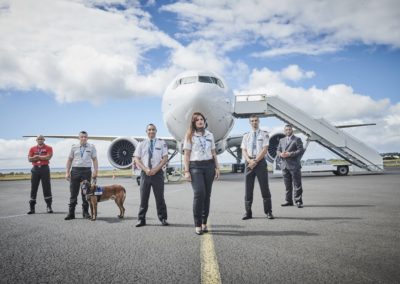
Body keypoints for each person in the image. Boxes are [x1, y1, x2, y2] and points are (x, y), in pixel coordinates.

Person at [183, 112, 220, 235]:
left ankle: (204, 223)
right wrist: (186, 171)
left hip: (209, 166)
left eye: (202, 119)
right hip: (195, 167)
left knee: (207, 195)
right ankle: (197, 224)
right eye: (197, 120)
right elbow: (187, 154)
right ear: (194, 123)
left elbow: (213, 152)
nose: (200, 121)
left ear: (204, 121)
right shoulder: (189, 136)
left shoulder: (210, 135)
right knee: (199, 193)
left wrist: (217, 168)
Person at [134, 124, 169, 227]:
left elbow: (165, 158)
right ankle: (141, 219)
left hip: (157, 174)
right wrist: (145, 169)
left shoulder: (161, 143)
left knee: (160, 198)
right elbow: (136, 158)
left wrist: (155, 169)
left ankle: (163, 218)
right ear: (146, 131)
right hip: (145, 174)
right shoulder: (141, 144)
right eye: (149, 130)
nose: (151, 131)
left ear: (156, 131)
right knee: (143, 198)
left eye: (153, 129)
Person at [241, 114, 274, 220]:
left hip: (260, 163)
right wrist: (249, 160)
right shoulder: (246, 135)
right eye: (252, 121)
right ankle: (248, 212)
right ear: (249, 123)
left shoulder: (264, 134)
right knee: (248, 189)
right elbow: (244, 150)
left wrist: (255, 161)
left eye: (256, 120)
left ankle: (268, 212)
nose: (254, 122)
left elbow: (265, 149)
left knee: (265, 188)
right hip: (249, 162)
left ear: (259, 122)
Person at [64, 131, 98, 220]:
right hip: (75, 171)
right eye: (82, 137)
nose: (84, 138)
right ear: (79, 138)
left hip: (86, 171)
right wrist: (67, 172)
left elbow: (94, 159)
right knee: (73, 193)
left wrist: (95, 171)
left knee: (86, 193)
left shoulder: (91, 147)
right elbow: (69, 160)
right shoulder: (74, 147)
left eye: (85, 137)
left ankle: (85, 213)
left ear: (87, 138)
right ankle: (71, 213)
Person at [276, 124, 305, 208]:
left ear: (292, 130)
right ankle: (288, 201)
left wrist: (289, 154)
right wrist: (280, 154)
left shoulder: (297, 139)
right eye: (286, 130)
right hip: (284, 166)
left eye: (289, 129)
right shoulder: (281, 140)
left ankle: (298, 201)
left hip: (294, 166)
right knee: (287, 185)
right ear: (284, 131)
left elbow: (300, 150)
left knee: (297, 184)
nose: (288, 131)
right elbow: (278, 150)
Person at [27, 135, 53, 214]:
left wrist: (37, 157)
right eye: (39, 139)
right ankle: (32, 208)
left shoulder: (49, 148)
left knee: (46, 188)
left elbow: (48, 157)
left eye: (41, 139)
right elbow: (29, 159)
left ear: (44, 139)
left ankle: (49, 206)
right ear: (36, 140)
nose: (40, 140)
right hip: (35, 169)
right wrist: (41, 157)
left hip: (44, 168)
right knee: (33, 188)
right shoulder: (32, 148)